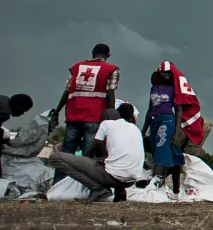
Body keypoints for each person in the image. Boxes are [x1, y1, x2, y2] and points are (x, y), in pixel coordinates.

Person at [50, 43, 119, 182]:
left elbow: (67, 91)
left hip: (73, 115)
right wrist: (111, 117)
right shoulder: (111, 69)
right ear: (108, 55)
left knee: (66, 153)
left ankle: (57, 184)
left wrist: (57, 111)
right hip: (94, 116)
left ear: (92, 53)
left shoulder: (78, 67)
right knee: (88, 156)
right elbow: (110, 94)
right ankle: (84, 186)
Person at [48, 103, 145, 202]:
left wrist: (81, 162)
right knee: (115, 165)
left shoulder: (106, 124)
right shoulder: (135, 129)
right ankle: (120, 191)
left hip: (112, 177)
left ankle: (99, 189)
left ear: (105, 119)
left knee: (55, 157)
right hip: (131, 181)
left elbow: (91, 150)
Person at [142, 63, 204, 196]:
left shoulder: (175, 90)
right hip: (154, 121)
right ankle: (173, 189)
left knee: (162, 150)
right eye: (163, 73)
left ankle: (157, 182)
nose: (166, 75)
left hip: (167, 121)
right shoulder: (154, 88)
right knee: (172, 154)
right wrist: (143, 129)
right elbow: (150, 109)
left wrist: (176, 132)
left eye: (169, 74)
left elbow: (178, 111)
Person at [0, 94, 35, 178]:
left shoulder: (3, 101)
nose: (22, 114)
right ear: (18, 106)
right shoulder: (4, 112)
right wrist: (4, 139)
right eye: (23, 110)